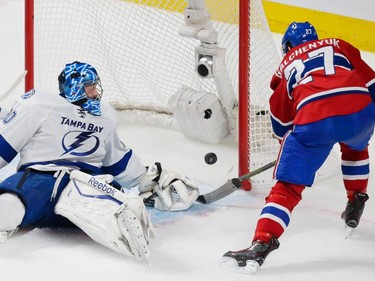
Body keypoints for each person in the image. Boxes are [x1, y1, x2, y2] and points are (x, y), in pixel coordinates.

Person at [0, 61, 199, 262]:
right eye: (90, 86)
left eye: (96, 85)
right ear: (74, 86)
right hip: (42, 179)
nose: (96, 92)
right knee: (9, 204)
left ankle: (115, 217)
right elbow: (4, 147)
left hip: (88, 184)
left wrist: (148, 178)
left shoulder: (105, 115)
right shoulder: (39, 104)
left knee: (122, 210)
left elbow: (117, 161)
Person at [221, 22, 375, 273]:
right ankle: (356, 199)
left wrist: (292, 153)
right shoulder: (339, 45)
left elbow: (282, 123)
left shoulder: (284, 67)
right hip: (360, 110)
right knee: (356, 147)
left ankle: (262, 242)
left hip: (315, 118)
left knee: (288, 187)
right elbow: (371, 80)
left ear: (288, 47)